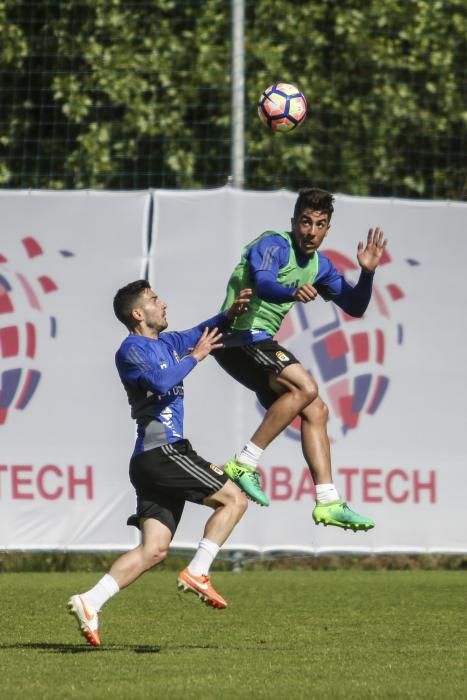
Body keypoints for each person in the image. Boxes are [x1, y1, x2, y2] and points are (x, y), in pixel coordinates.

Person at [68, 279, 251, 647]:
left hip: (152, 461)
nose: (163, 303)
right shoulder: (131, 350)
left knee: (154, 549)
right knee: (235, 499)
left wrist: (230, 314)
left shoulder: (167, 342)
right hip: (162, 453)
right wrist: (196, 357)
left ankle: (90, 601)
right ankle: (198, 571)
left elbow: (204, 331)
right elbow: (159, 380)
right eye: (154, 300)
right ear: (138, 313)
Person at [215, 187, 387, 531]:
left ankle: (328, 501)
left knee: (316, 410)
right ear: (294, 221)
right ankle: (244, 463)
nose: (311, 231)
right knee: (306, 386)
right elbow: (263, 284)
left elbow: (355, 307)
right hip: (237, 337)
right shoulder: (273, 244)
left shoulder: (320, 266)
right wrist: (292, 291)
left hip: (258, 344)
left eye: (320, 224)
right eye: (305, 222)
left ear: (328, 228)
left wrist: (367, 273)